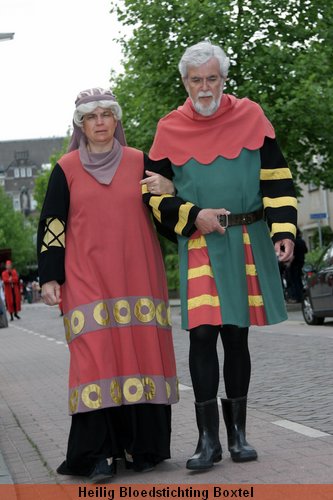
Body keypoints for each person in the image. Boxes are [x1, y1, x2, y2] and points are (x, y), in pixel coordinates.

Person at [142, 40, 297, 471]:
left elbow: (278, 179)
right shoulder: (168, 128)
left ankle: (238, 436)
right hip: (200, 243)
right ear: (185, 82)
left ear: (223, 79)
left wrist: (283, 230)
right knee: (203, 336)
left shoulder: (252, 116)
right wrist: (193, 214)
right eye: (196, 80)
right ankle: (207, 440)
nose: (204, 87)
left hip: (248, 238)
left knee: (236, 334)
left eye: (212, 78)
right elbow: (151, 195)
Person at [37, 87, 178, 481]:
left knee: (139, 356)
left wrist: (174, 192)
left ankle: (143, 448)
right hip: (85, 279)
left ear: (116, 120)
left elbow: (167, 212)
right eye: (91, 116)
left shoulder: (140, 162)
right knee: (95, 362)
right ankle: (99, 455)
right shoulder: (65, 168)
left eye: (106, 115)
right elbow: (53, 225)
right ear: (81, 125)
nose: (99, 123)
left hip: (138, 277)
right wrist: (50, 276)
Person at [285, 227, 308, 303]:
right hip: (301, 262)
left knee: (294, 280)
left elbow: (292, 254)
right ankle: (301, 296)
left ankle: (296, 297)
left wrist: (288, 264)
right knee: (299, 280)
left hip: (294, 263)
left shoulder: (293, 242)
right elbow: (306, 251)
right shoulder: (302, 241)